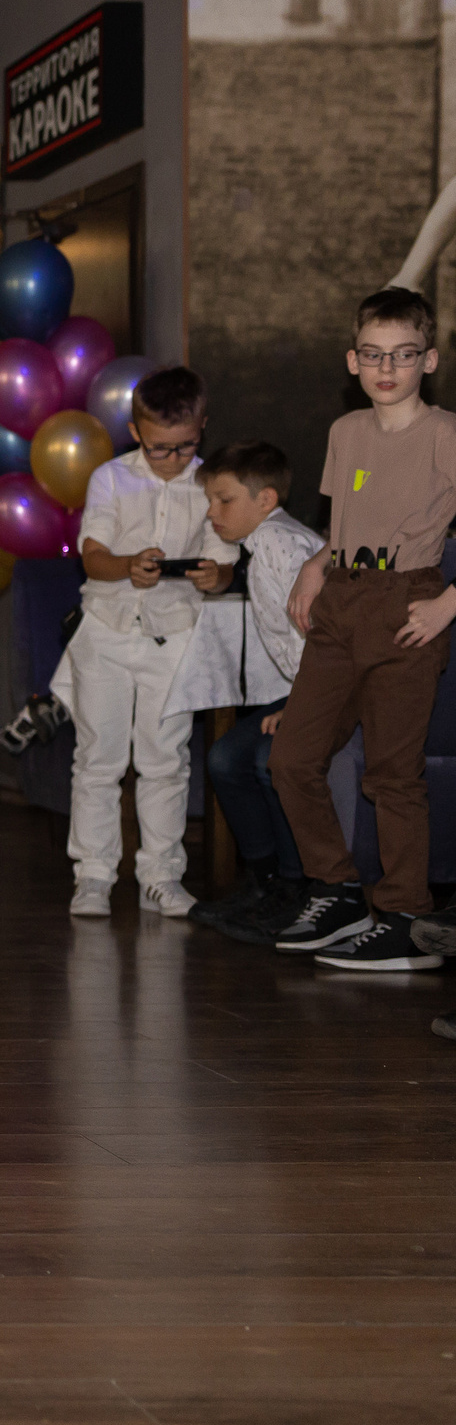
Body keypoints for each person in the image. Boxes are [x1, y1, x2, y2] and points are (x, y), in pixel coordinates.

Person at [271, 289, 456, 969]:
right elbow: (350, 522)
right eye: (374, 355)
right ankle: (338, 890)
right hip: (343, 602)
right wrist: (317, 564)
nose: (387, 368)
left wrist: (448, 604)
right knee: (292, 758)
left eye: (403, 355)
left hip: (407, 605)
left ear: (427, 360)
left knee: (393, 774)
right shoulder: (345, 432)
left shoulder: (445, 433)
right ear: (353, 360)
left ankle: (406, 918)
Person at [59, 366, 236, 919]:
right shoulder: (111, 478)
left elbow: (225, 565)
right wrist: (128, 566)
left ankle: (161, 876)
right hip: (107, 630)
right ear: (136, 432)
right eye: (160, 448)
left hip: (174, 633)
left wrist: (214, 576)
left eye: (186, 446)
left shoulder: (212, 485)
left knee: (166, 760)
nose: (173, 459)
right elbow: (93, 556)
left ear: (202, 428)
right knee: (98, 759)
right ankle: (93, 875)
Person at [190, 441, 324, 943]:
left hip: (326, 691)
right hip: (305, 690)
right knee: (225, 758)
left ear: (265, 500)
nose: (212, 512)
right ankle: (265, 881)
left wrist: (299, 706)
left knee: (271, 759)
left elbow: (326, 638)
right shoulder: (263, 541)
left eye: (224, 500)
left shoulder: (282, 545)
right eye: (211, 500)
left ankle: (295, 886)